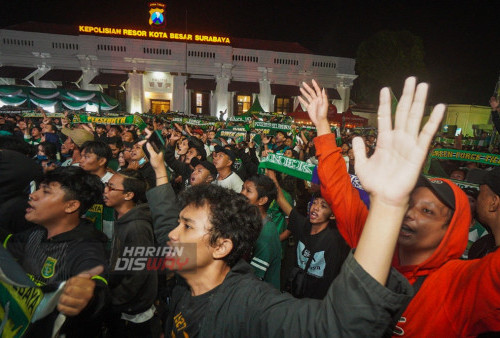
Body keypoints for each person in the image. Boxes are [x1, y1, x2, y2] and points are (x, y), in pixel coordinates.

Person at [139, 76, 449, 337]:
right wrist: (159, 170)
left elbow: (336, 327)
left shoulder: (250, 304)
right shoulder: (184, 266)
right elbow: (166, 223)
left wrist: (389, 206)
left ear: (221, 246)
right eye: (182, 223)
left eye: (187, 226)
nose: (173, 237)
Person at [300, 77, 500, 336]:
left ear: (450, 230)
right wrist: (322, 125)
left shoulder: (462, 284)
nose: (410, 214)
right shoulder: (373, 246)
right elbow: (338, 190)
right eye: (409, 203)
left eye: (427, 211)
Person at [0, 166, 108, 337]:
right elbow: (9, 244)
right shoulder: (36, 233)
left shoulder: (86, 247)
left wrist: (87, 294)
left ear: (71, 205)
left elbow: (95, 283)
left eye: (46, 192)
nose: (33, 195)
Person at [267, 169, 350, 299]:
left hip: (318, 303)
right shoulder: (303, 225)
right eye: (315, 203)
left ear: (333, 214)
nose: (315, 207)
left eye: (323, 206)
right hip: (295, 294)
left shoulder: (335, 240)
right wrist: (271, 175)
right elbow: (280, 199)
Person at [102, 170, 158, 337]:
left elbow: (138, 274)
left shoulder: (137, 227)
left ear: (128, 195)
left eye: (111, 188)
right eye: (106, 185)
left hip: (132, 306)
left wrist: (113, 299)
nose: (105, 191)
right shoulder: (121, 215)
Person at [241, 175, 281, 289]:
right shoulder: (247, 220)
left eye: (248, 191)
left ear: (262, 200)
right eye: (242, 188)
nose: (242, 193)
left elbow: (254, 278)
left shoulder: (266, 232)